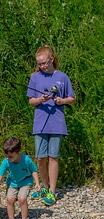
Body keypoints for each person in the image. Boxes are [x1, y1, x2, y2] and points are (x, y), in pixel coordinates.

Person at [27, 45, 76, 206]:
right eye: (39, 64)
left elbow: (72, 98)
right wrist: (41, 99)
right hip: (40, 123)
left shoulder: (62, 77)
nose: (42, 66)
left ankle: (52, 191)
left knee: (53, 157)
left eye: (44, 63)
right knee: (41, 157)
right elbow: (31, 101)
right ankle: (44, 186)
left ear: (52, 59)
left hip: (57, 123)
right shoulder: (34, 77)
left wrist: (61, 101)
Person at [0, 136, 40, 219]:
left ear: (18, 153)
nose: (8, 158)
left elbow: (34, 171)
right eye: (6, 156)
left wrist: (37, 183)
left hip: (25, 181)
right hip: (12, 182)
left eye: (10, 156)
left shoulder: (26, 160)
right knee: (10, 199)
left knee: (22, 199)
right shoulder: (6, 162)